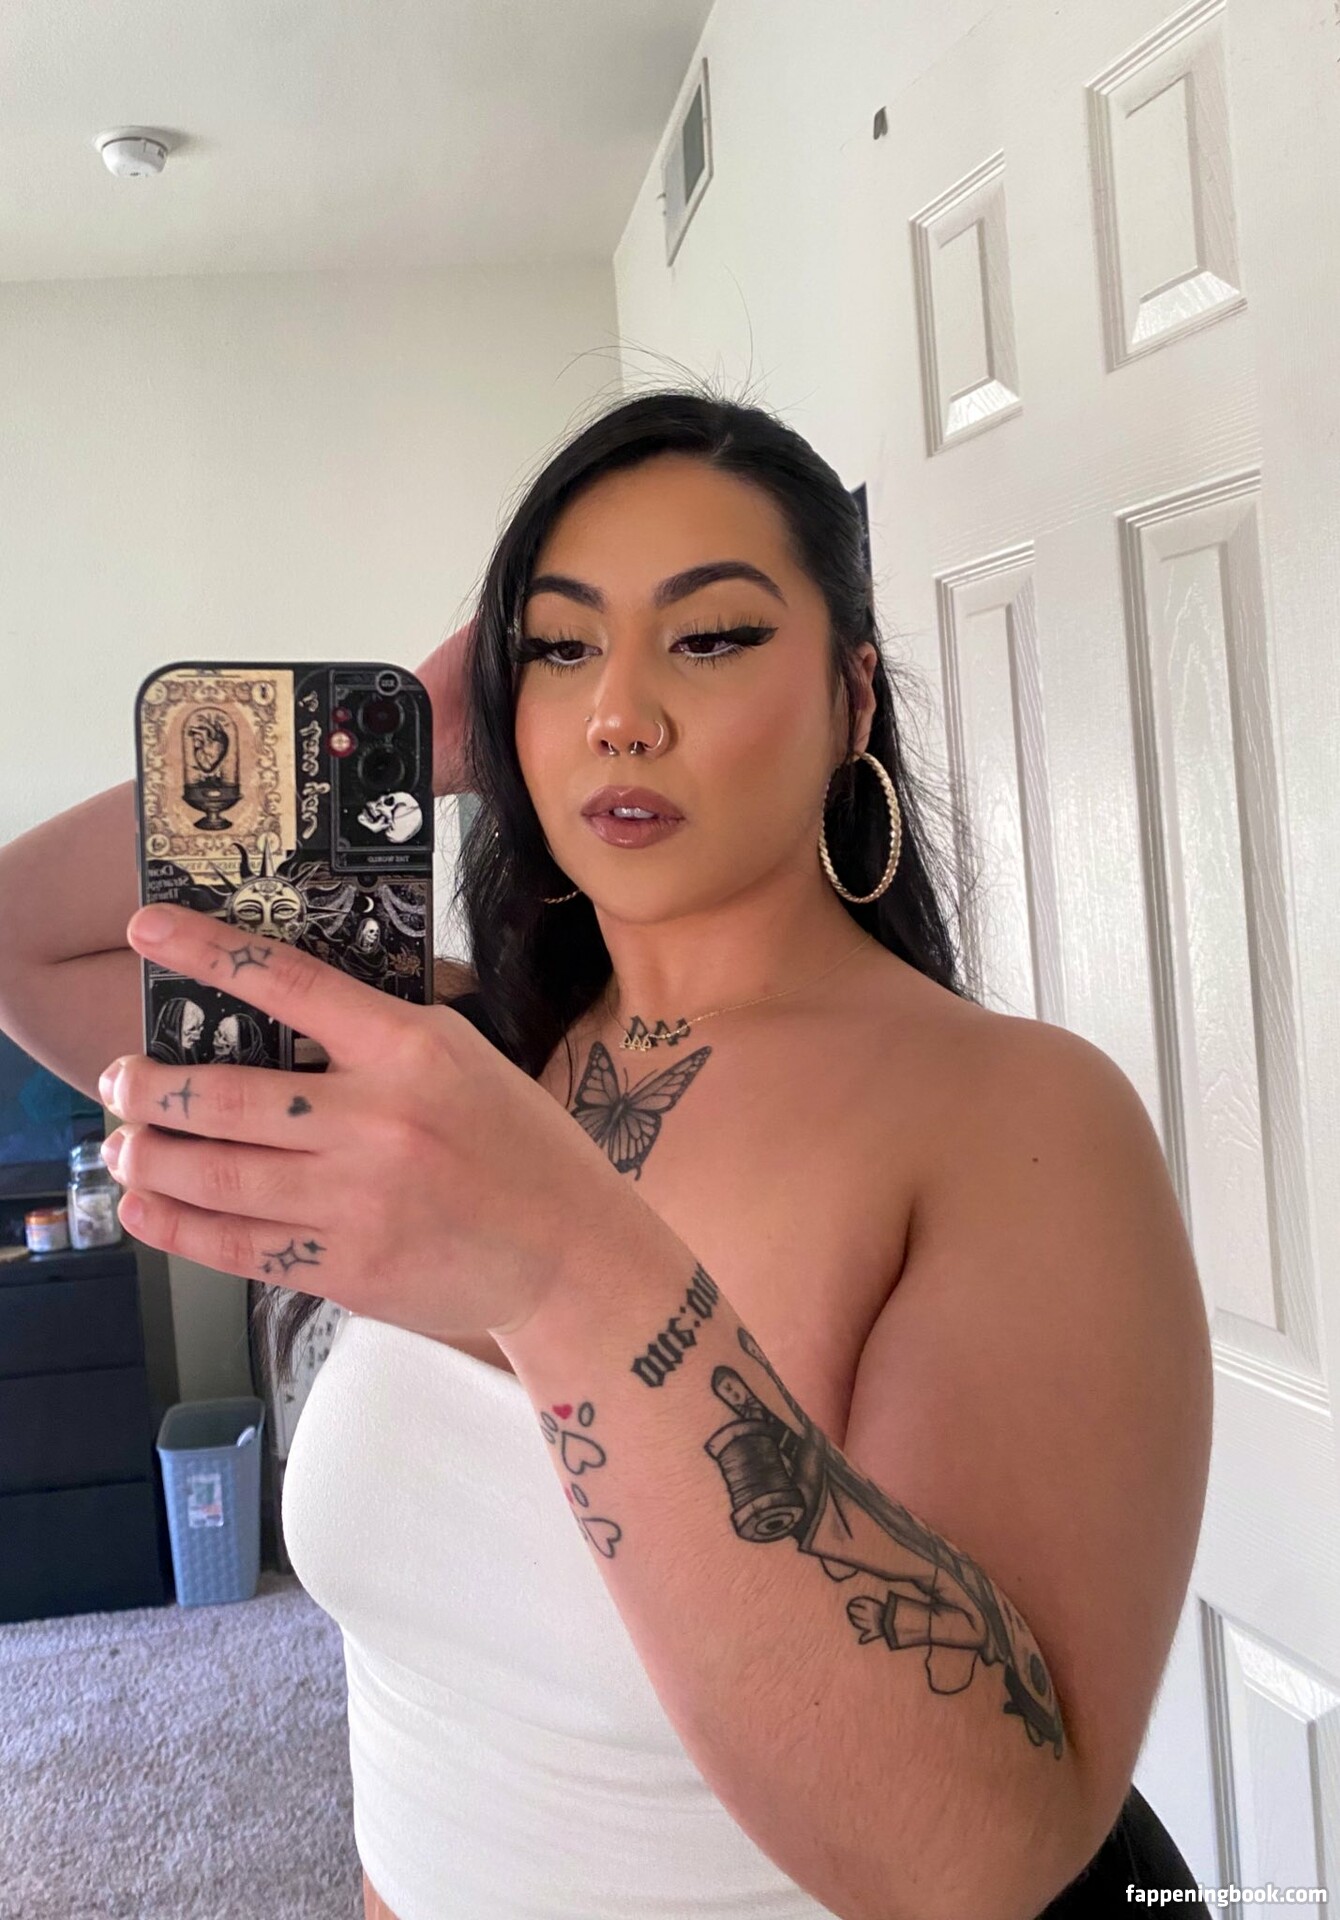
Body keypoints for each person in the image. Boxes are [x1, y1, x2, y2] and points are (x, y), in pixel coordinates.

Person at [0, 386, 1212, 1919]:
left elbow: (972, 1856)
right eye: (560, 649)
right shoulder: (457, 1063)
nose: (619, 713)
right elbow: (28, 944)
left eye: (710, 637)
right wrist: (404, 732)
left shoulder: (1017, 1121)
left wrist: (574, 1274)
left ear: (853, 700)